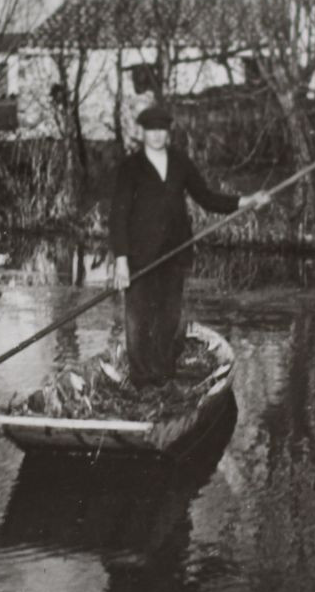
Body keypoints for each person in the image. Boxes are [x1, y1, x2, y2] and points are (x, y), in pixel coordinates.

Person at [109, 103, 269, 385]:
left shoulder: (181, 162)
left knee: (169, 318)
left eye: (162, 130)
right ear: (142, 132)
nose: (157, 136)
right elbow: (118, 215)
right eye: (151, 130)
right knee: (139, 321)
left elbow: (206, 197)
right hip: (140, 256)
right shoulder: (130, 167)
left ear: (168, 133)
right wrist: (121, 260)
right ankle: (142, 379)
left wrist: (246, 202)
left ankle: (163, 375)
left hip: (175, 252)